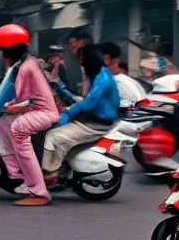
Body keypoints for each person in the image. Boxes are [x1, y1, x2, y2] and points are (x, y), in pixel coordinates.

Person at [0, 24, 60, 206]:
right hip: (36, 110)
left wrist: (8, 106)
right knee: (3, 122)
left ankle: (37, 190)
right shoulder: (27, 62)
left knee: (17, 128)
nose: (2, 56)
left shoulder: (25, 68)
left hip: (44, 113)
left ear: (10, 51)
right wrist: (9, 107)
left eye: (3, 51)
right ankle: (17, 174)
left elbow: (23, 102)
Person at [42, 44, 120, 184]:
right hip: (91, 114)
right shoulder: (95, 73)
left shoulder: (101, 76)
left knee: (54, 136)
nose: (57, 58)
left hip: (96, 121)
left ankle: (50, 172)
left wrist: (71, 110)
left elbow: (89, 100)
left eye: (81, 58)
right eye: (54, 55)